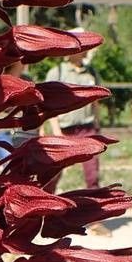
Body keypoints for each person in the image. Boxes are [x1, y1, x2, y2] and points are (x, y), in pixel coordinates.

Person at [45, 34, 102, 189]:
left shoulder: (91, 72)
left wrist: (97, 123)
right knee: (52, 173)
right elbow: (49, 105)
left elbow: (96, 100)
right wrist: (57, 131)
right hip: (64, 131)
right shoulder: (57, 73)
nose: (84, 51)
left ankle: (94, 206)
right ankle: (45, 204)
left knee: (92, 173)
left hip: (86, 129)